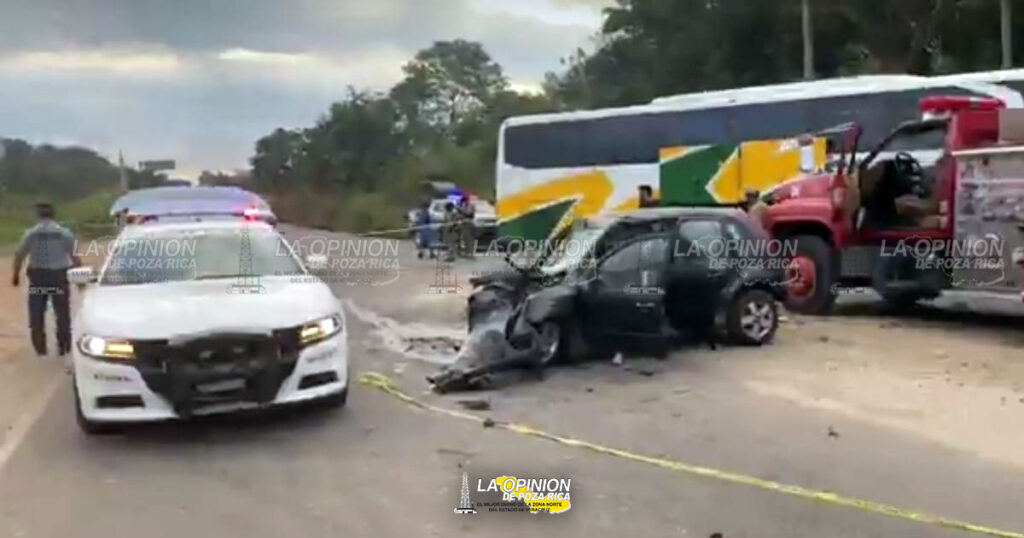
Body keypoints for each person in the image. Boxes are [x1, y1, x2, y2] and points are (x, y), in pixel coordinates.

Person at [12, 203, 80, 358]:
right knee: (62, 313)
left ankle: (40, 348)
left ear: (37, 215)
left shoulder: (31, 234)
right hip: (58, 278)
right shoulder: (64, 233)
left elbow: (19, 255)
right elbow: (75, 256)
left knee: (36, 314)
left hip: (39, 278)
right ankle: (63, 346)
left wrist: (15, 275)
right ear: (53, 215)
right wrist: (80, 275)